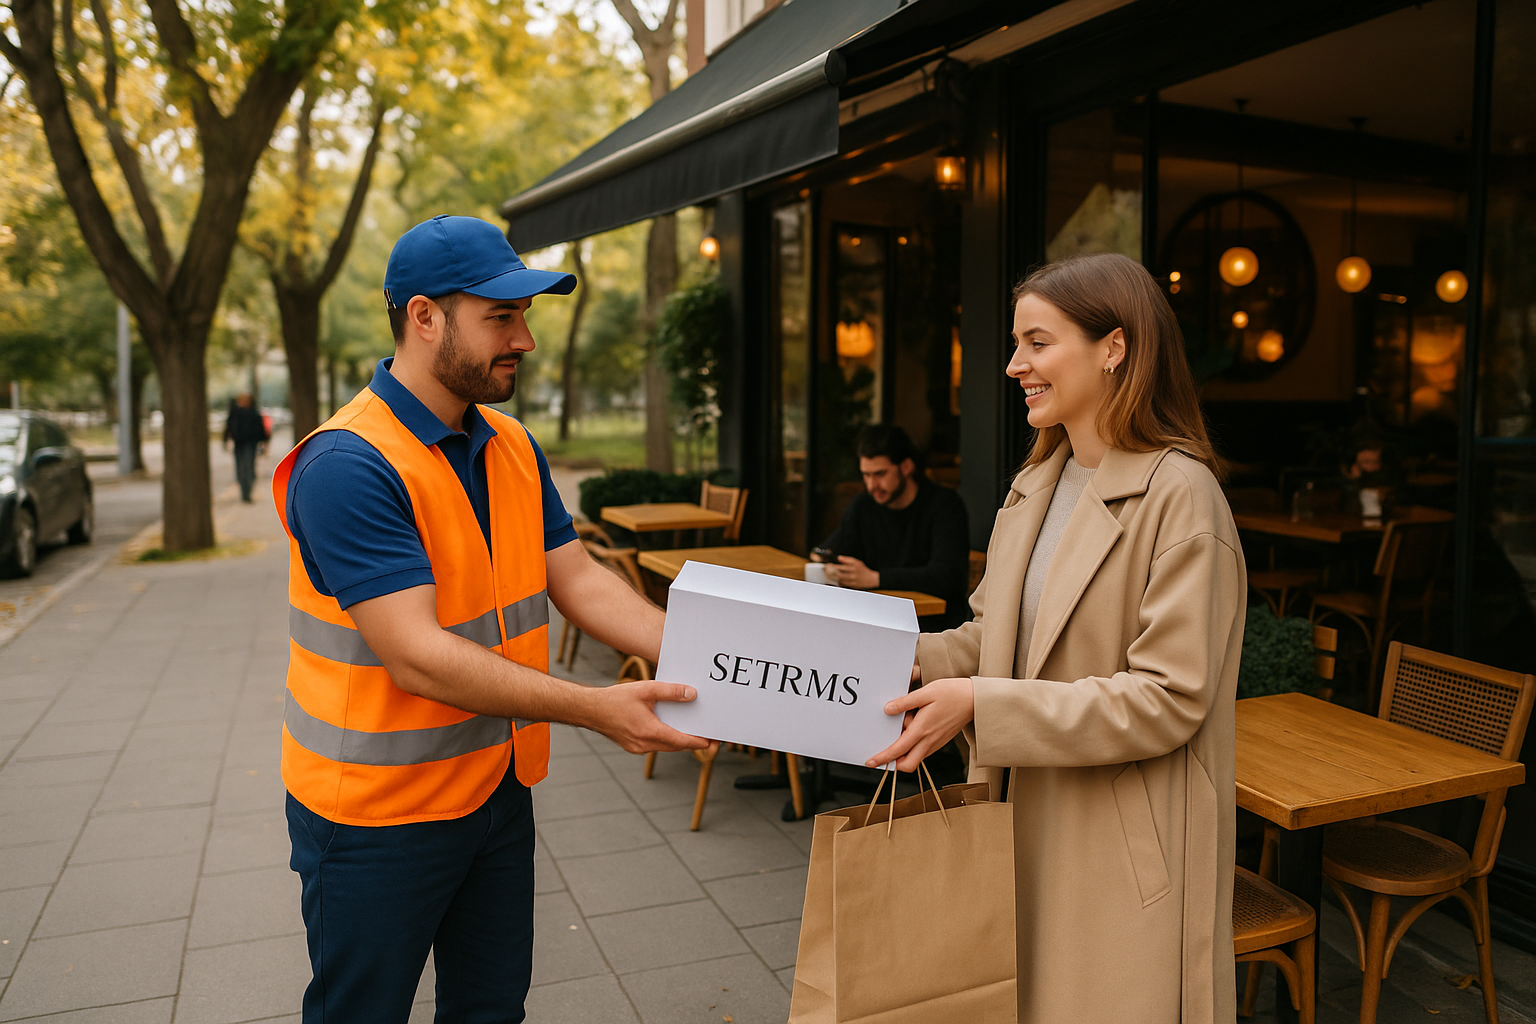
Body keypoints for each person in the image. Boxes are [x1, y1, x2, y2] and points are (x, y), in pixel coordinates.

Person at [273, 215, 708, 1024]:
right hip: (376, 818)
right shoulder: (345, 465)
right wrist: (598, 711)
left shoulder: (509, 442)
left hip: (495, 794)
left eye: (526, 316)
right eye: (500, 317)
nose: (525, 340)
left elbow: (580, 582)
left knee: (490, 1009)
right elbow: (418, 657)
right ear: (424, 317)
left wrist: (715, 661)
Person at [870, 252, 1245, 1023]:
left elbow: (1167, 699)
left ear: (1115, 347)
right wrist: (884, 660)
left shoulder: (1183, 498)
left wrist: (980, 704)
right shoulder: (1037, 483)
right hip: (1020, 817)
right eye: (1017, 345)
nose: (1015, 366)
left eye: (1037, 343)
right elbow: (993, 638)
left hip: (1119, 848)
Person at [811, 424, 970, 630]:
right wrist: (828, 564)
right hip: (877, 621)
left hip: (932, 629)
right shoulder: (864, 506)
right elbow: (834, 549)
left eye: (880, 474)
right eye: (866, 475)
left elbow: (948, 577)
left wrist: (875, 578)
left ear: (906, 467)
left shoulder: (944, 505)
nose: (871, 485)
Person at [224, 391, 269, 503]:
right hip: (239, 444)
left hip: (250, 444)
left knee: (248, 468)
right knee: (240, 468)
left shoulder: (254, 413)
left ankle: (247, 493)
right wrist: (225, 439)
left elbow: (261, 430)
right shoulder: (236, 413)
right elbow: (229, 426)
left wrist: (264, 444)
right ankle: (244, 492)